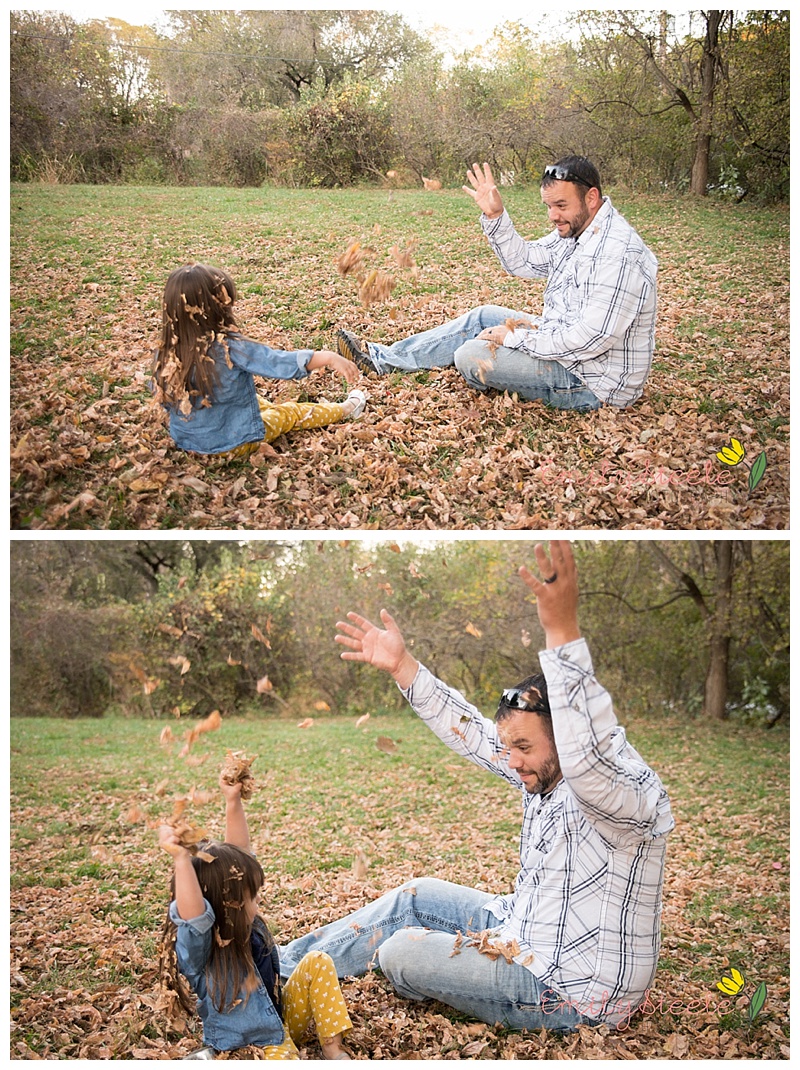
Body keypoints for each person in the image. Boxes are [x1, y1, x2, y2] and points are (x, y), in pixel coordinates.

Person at [279, 541, 674, 1034]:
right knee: (415, 896)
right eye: (511, 747)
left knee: (399, 952)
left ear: (567, 736)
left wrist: (561, 631)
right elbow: (474, 733)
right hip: (525, 929)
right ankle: (275, 969)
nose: (512, 762)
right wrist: (404, 668)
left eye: (524, 748)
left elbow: (586, 750)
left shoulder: (621, 790)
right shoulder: (542, 768)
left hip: (568, 991)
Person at [336, 157, 658, 409]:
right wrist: (495, 216)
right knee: (482, 316)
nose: (552, 216)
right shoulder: (577, 231)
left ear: (591, 198)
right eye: (549, 206)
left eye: (561, 206)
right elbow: (525, 260)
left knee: (468, 355)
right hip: (565, 344)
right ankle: (381, 358)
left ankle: (498, 368)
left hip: (593, 381)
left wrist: (513, 338)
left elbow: (591, 339)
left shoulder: (618, 253)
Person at [159, 771, 353, 1059]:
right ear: (229, 905)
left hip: (281, 1020)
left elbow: (240, 857)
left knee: (318, 961)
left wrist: (233, 801)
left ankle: (334, 1050)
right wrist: (180, 859)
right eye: (251, 894)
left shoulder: (244, 921)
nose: (258, 897)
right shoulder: (204, 950)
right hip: (253, 1046)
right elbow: (192, 917)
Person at [152, 263, 367, 458]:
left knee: (258, 401)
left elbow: (161, 395)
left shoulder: (165, 351)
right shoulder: (230, 346)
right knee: (289, 412)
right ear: (218, 309)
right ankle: (346, 409)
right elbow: (277, 363)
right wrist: (327, 357)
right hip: (233, 443)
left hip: (187, 442)